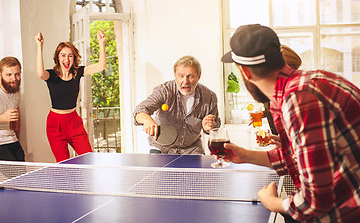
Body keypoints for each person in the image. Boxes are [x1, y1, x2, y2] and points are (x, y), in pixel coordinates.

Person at [221, 24, 360, 222]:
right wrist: (245, 155)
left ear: (246, 72)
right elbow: (306, 158)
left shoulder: (298, 100)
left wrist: (273, 202)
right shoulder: (306, 83)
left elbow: (315, 202)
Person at [35, 30, 107, 162]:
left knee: (88, 159)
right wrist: (39, 46)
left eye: (70, 56)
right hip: (55, 124)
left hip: (73, 122)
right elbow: (40, 74)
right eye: (63, 55)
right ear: (58, 57)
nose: (66, 59)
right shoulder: (51, 75)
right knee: (64, 164)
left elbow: (101, 65)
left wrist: (101, 43)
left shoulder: (77, 72)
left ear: (74, 58)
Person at [133, 55, 221, 154]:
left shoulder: (209, 97)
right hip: (162, 149)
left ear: (199, 76)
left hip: (192, 149)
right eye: (181, 76)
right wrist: (146, 119)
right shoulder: (163, 91)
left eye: (190, 76)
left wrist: (210, 127)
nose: (185, 81)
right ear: (175, 75)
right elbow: (139, 111)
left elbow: (216, 124)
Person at [0, 57, 24, 161]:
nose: (14, 78)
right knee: (16, 175)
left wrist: (17, 137)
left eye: (17, 74)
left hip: (12, 139)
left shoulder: (16, 90)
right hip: (1, 143)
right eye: (9, 75)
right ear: (0, 75)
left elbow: (17, 117)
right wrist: (2, 118)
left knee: (23, 174)